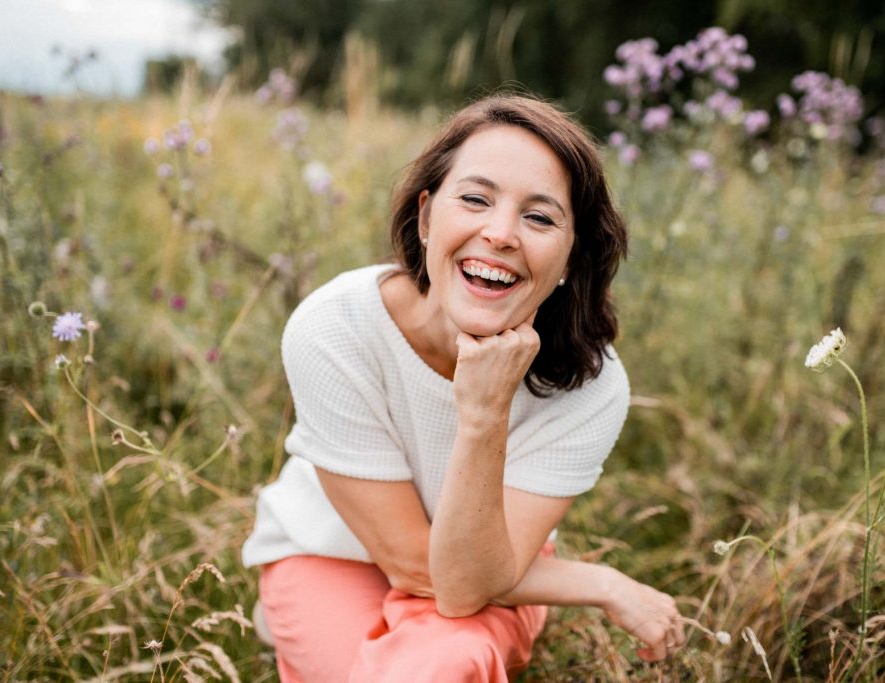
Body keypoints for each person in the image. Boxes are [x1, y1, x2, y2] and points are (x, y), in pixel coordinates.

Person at [241, 94, 685, 682]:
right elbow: (417, 568)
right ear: (426, 219)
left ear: (572, 257)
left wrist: (486, 412)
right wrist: (598, 584)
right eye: (475, 199)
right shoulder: (334, 328)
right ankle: (304, 619)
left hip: (491, 574)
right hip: (334, 554)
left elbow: (464, 585)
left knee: (442, 662)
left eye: (540, 217)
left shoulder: (592, 385)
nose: (499, 233)